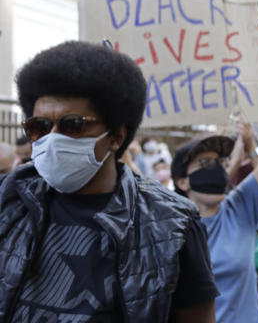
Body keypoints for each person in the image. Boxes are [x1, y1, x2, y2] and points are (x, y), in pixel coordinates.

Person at [0, 41, 218, 321]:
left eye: (73, 125)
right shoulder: (9, 202)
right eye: (39, 126)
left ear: (115, 136)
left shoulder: (172, 224)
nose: (52, 139)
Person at [171, 119, 258, 323]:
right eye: (205, 163)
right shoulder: (171, 230)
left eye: (221, 162)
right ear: (182, 181)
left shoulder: (239, 208)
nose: (216, 169)